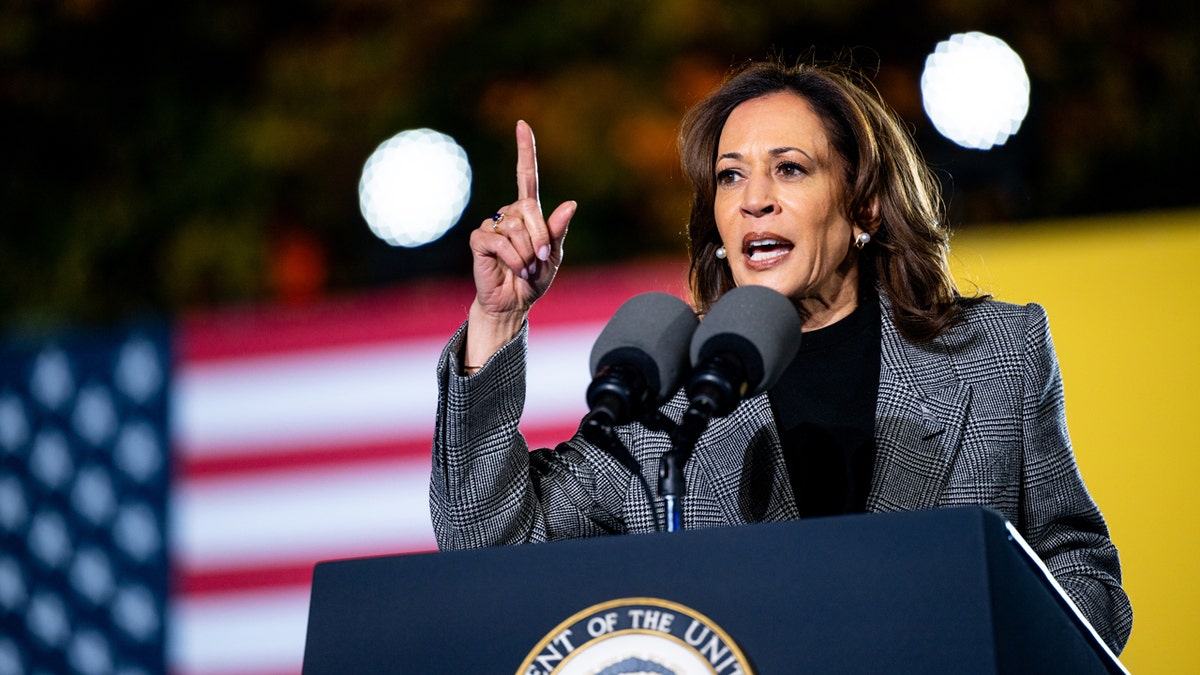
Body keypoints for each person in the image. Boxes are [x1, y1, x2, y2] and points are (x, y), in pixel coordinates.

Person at [429, 59, 1132, 653]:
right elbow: (487, 541)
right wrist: (498, 317)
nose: (753, 201)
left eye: (789, 169)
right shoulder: (664, 396)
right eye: (730, 178)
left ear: (864, 208)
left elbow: (1082, 572)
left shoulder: (996, 355)